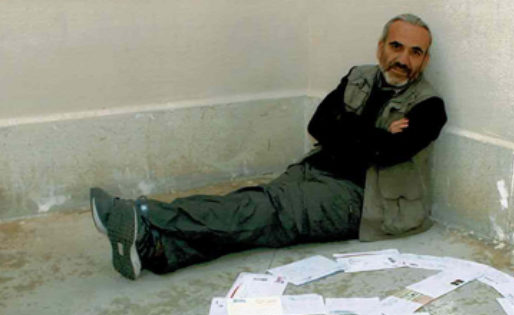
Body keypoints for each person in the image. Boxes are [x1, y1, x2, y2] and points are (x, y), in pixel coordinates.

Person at [90, 13, 447, 280]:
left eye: (415, 52)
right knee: (259, 216)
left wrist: (347, 128)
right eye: (396, 46)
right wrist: (377, 133)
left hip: (360, 198)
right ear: (381, 47)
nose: (403, 60)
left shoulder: (429, 106)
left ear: (425, 60)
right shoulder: (358, 75)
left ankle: (143, 215)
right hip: (314, 169)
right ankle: (155, 250)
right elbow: (318, 125)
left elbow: (387, 153)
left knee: (262, 209)